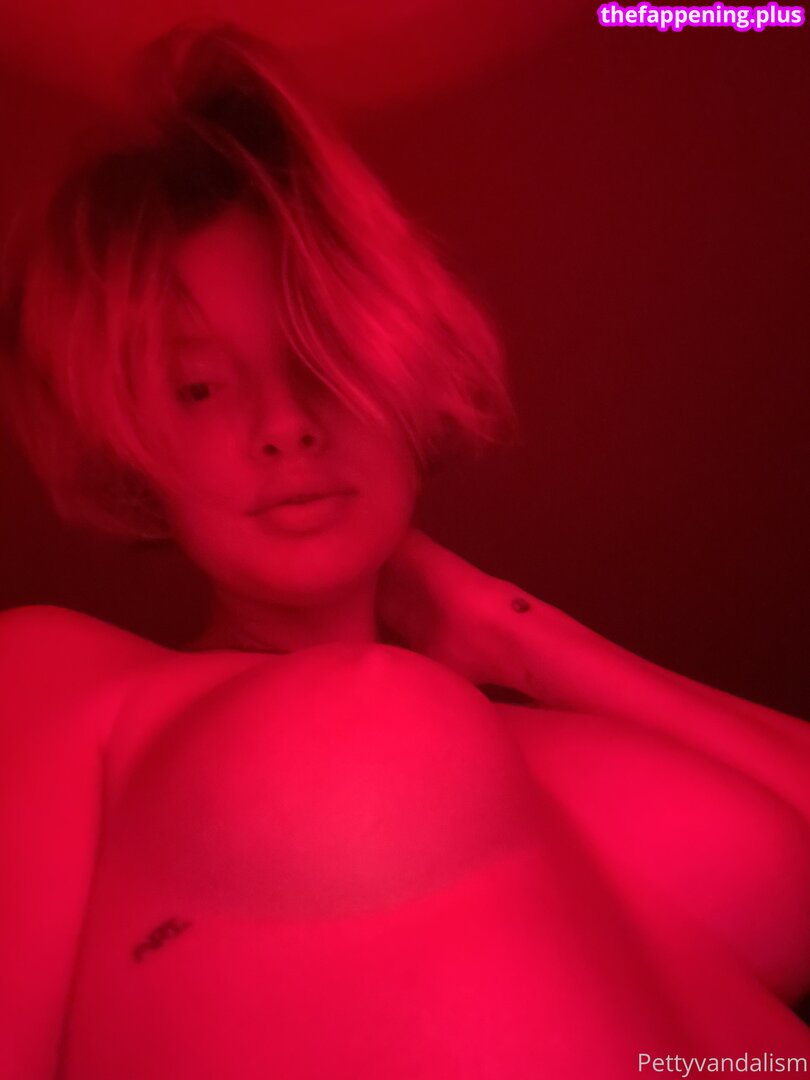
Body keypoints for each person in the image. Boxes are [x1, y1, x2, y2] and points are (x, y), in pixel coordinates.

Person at [0, 21, 808, 1080]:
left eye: (321, 355)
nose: (284, 425)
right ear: (131, 448)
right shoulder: (64, 678)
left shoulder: (550, 740)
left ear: (393, 372)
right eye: (199, 387)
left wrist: (517, 633)